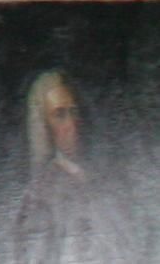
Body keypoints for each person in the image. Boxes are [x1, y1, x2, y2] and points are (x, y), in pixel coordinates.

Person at [13, 69, 143, 264]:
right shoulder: (39, 197)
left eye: (74, 111)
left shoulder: (104, 178)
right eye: (60, 115)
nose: (72, 123)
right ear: (44, 125)